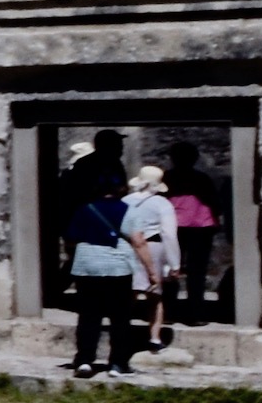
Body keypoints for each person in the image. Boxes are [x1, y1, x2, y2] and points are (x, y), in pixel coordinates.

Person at [62, 170, 153, 377]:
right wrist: (151, 272)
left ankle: (84, 360)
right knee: (120, 317)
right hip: (118, 268)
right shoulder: (129, 211)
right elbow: (139, 242)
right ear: (121, 189)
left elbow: (71, 239)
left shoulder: (84, 210)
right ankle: (117, 363)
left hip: (87, 268)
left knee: (88, 316)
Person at [125, 165, 181, 353]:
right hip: (153, 246)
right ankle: (154, 338)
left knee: (128, 293)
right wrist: (175, 263)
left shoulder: (125, 201)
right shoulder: (162, 204)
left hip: (127, 246)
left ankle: (122, 333)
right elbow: (169, 234)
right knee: (155, 295)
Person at [164, 144, 223, 314]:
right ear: (195, 158)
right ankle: (195, 311)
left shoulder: (167, 178)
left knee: (171, 268)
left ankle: (168, 310)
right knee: (197, 269)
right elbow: (214, 203)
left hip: (173, 227)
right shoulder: (202, 178)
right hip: (201, 227)